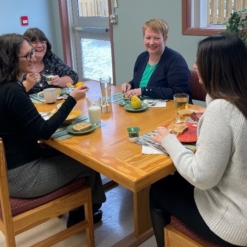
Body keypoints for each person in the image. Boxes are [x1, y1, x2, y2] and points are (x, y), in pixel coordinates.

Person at [149, 33, 247, 247]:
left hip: (236, 223)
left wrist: (169, 141)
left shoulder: (221, 111)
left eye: (198, 62)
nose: (194, 66)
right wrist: (209, 116)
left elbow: (201, 177)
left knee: (158, 188)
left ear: (215, 68)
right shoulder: (238, 100)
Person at [0, 33, 106, 227]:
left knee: (66, 152)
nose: (33, 58)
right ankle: (83, 214)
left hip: (9, 169)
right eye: (27, 55)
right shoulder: (13, 91)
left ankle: (85, 207)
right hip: (22, 177)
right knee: (89, 164)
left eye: (32, 52)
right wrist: (72, 99)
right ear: (12, 60)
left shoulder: (7, 87)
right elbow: (44, 131)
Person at [121, 18, 191, 102]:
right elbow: (141, 81)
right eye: (148, 38)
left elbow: (178, 93)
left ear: (165, 39)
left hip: (170, 110)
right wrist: (130, 85)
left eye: (156, 38)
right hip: (144, 108)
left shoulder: (176, 61)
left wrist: (143, 91)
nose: (151, 42)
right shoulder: (141, 57)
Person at [22, 28, 78, 94]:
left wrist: (59, 81)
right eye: (34, 42)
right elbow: (13, 94)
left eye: (43, 42)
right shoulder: (20, 63)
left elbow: (73, 76)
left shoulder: (50, 58)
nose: (40, 45)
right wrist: (28, 84)